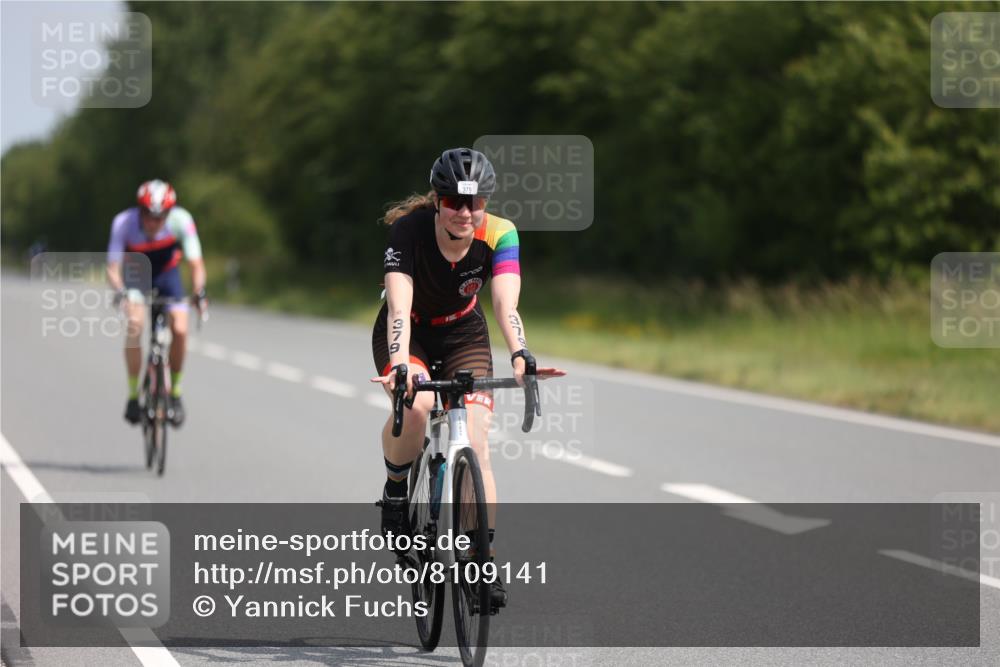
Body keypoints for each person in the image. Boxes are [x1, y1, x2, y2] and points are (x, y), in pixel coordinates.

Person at [370, 148, 564, 611]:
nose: (465, 212)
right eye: (455, 202)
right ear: (437, 201)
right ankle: (396, 492)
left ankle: (482, 558)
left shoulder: (500, 233)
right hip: (410, 332)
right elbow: (398, 308)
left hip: (464, 331)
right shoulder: (409, 231)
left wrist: (520, 354)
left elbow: (505, 305)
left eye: (475, 203)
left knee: (476, 441)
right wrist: (400, 366)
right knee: (416, 408)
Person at [106, 179, 207, 427]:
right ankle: (132, 396)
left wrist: (199, 291)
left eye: (160, 217)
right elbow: (112, 266)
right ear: (140, 210)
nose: (154, 222)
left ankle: (175, 392)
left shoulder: (181, 220)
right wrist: (120, 291)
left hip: (168, 274)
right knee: (135, 325)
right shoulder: (123, 223)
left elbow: (196, 264)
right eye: (149, 215)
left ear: (169, 213)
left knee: (181, 329)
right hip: (137, 274)